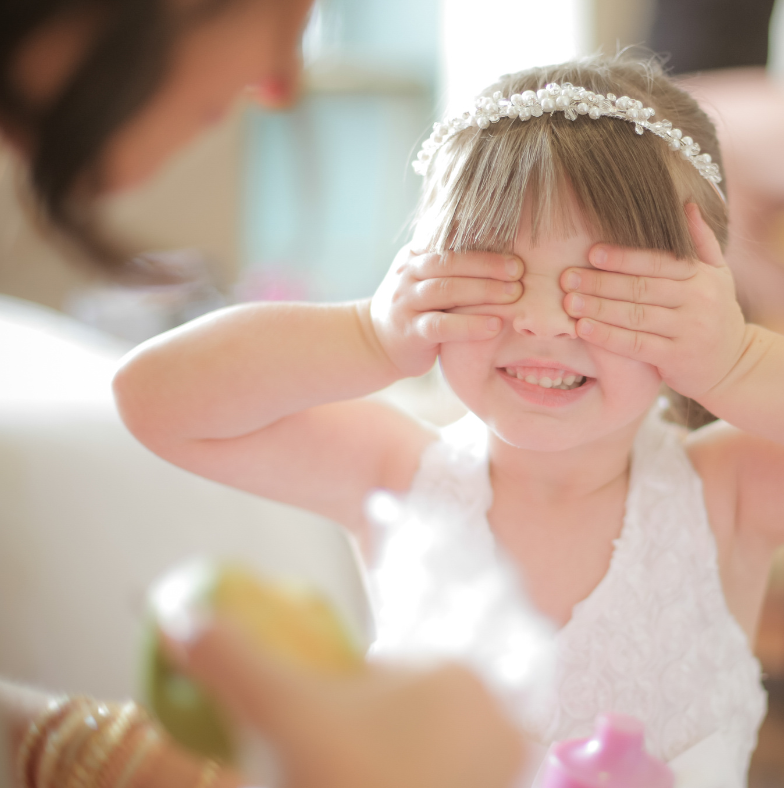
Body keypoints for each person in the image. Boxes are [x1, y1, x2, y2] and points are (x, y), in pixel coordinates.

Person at [111, 54, 784, 787]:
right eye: (492, 274)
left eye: (605, 290)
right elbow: (152, 401)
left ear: (696, 307)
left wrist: (745, 363)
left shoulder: (723, 492)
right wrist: (365, 335)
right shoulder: (398, 475)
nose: (542, 322)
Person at [1, 2, 526, 787]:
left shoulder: (704, 483)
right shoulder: (410, 458)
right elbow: (147, 396)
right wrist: (368, 337)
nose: (281, 80)